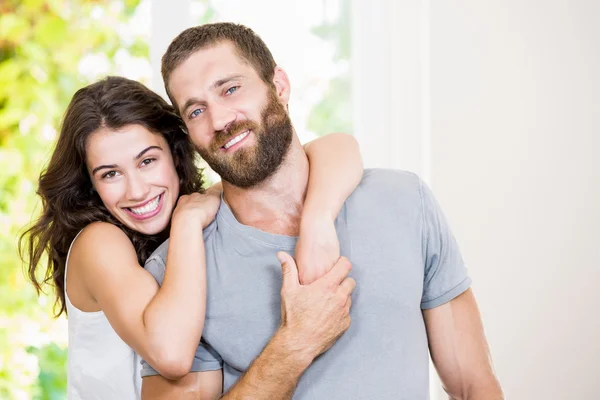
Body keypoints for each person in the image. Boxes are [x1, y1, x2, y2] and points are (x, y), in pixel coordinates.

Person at [140, 22, 504, 399]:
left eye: (231, 89)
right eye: (196, 111)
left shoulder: (404, 200)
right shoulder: (178, 271)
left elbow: (472, 386)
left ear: (279, 86)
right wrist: (295, 343)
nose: (219, 120)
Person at [19, 76, 363, 399]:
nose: (137, 191)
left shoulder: (198, 207)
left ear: (174, 152)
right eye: (110, 174)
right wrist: (185, 225)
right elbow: (171, 354)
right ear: (90, 184)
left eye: (147, 161)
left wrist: (318, 221)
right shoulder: (99, 242)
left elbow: (337, 147)